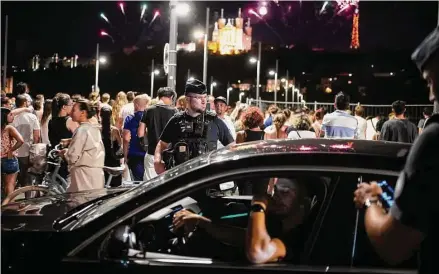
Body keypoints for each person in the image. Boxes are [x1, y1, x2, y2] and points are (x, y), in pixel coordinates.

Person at [353, 26, 439, 274]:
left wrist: (370, 200)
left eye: (431, 81)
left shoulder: (434, 140)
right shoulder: (416, 129)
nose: (431, 95)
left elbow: (393, 246)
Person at [154, 79, 234, 174]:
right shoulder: (176, 120)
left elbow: (232, 146)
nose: (204, 101)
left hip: (206, 179)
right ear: (187, 98)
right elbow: (162, 144)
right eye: (199, 98)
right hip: (181, 179)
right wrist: (157, 162)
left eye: (205, 97)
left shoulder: (214, 121)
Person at [59, 99, 105, 192]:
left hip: (83, 175)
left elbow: (73, 156)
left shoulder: (81, 130)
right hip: (95, 173)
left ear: (83, 113)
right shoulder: (93, 128)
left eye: (74, 110)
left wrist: (64, 153)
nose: (71, 112)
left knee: (79, 203)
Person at [138, 87, 177, 181]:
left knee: (148, 186)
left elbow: (140, 133)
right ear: (171, 97)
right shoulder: (174, 112)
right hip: (168, 154)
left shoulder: (148, 110)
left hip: (152, 152)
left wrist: (144, 145)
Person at [1, 107, 24, 196]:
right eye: (10, 114)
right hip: (9, 159)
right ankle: (9, 207)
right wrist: (11, 150)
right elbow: (21, 141)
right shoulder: (9, 128)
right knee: (9, 186)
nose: (12, 116)